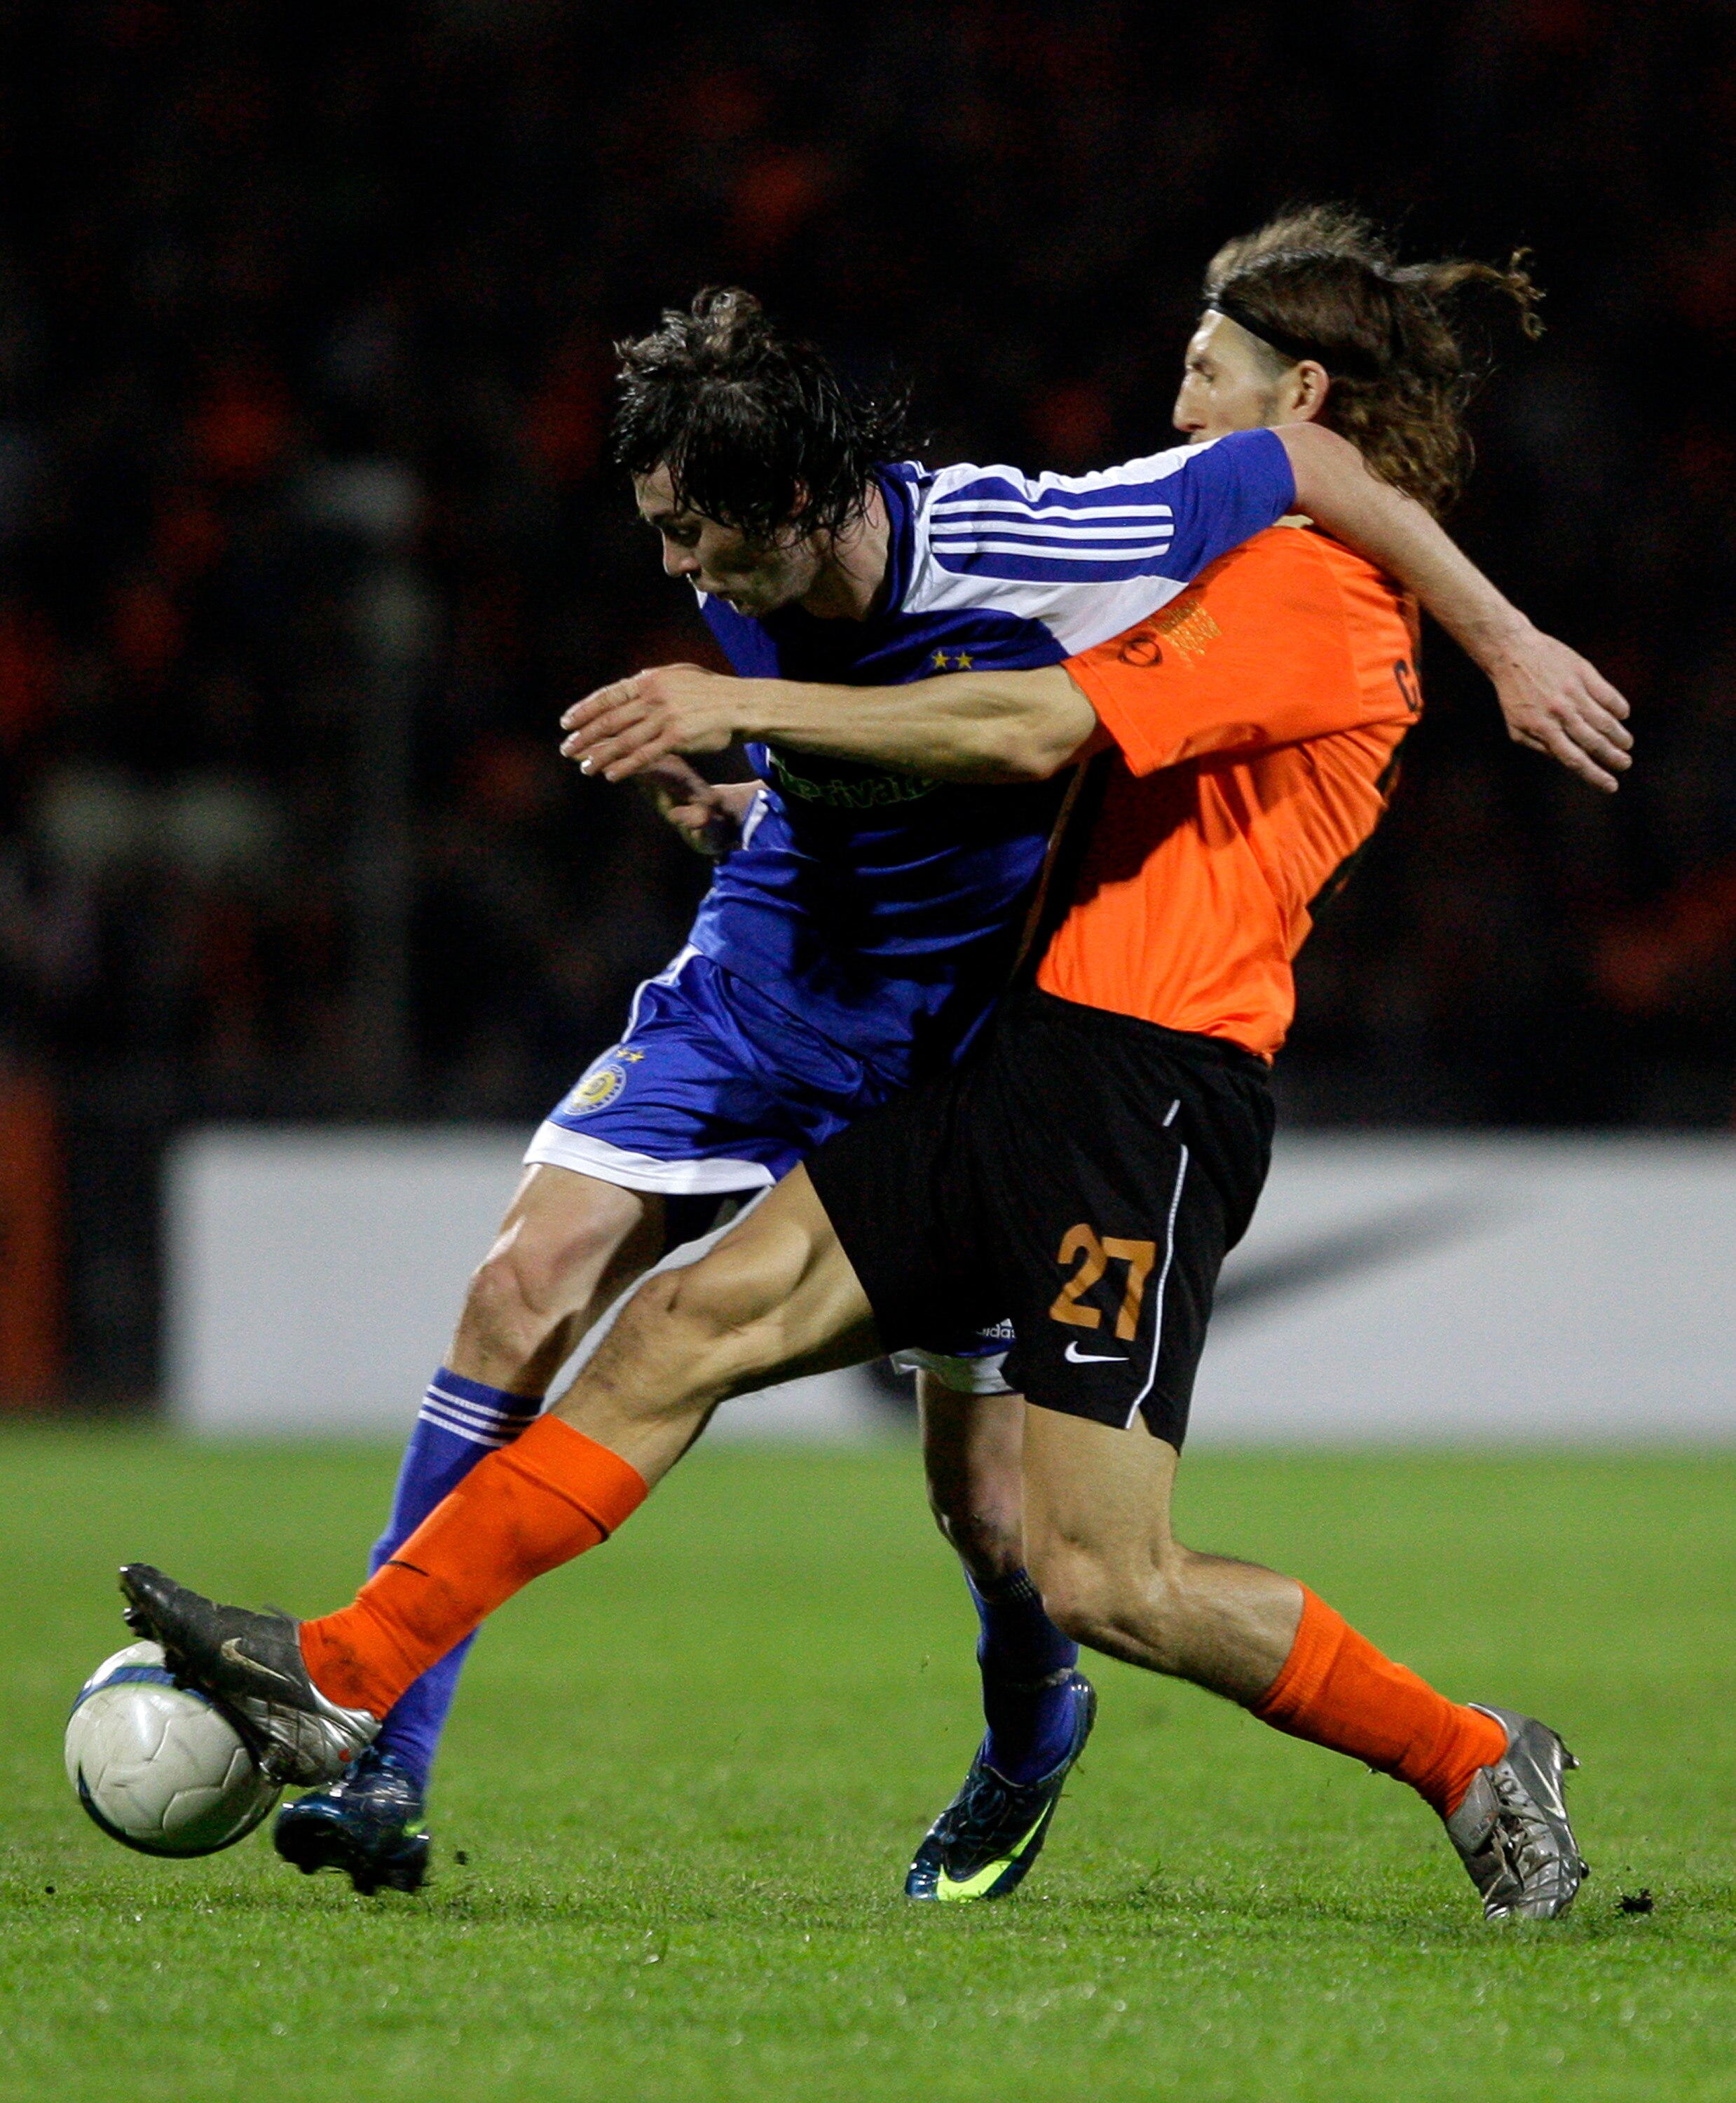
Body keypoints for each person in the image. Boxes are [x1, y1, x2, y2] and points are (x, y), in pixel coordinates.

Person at [121, 217, 1626, 1921]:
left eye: (1202, 372)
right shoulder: (1220, 554)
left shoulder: (1317, 604)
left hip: (1147, 1095)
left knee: (1099, 1573)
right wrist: (785, 795)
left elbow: (1029, 727)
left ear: (1301, 389)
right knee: (680, 1331)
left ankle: (1471, 1756)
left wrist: (747, 715)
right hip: (1016, 1057)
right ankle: (348, 1673)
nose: (1173, 404)